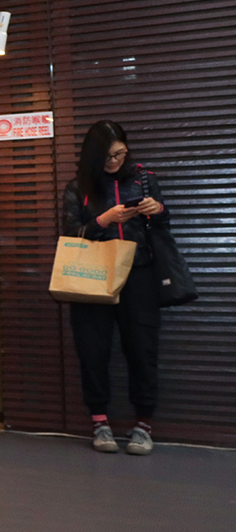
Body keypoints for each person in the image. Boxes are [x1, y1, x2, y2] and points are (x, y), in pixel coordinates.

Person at [61, 120, 167, 455]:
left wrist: (157, 210)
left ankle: (143, 425)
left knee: (142, 349)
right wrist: (103, 220)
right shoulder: (79, 187)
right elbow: (69, 234)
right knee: (92, 350)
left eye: (119, 153)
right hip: (92, 274)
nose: (114, 161)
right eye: (106, 157)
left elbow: (162, 226)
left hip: (139, 273)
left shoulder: (144, 180)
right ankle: (100, 422)